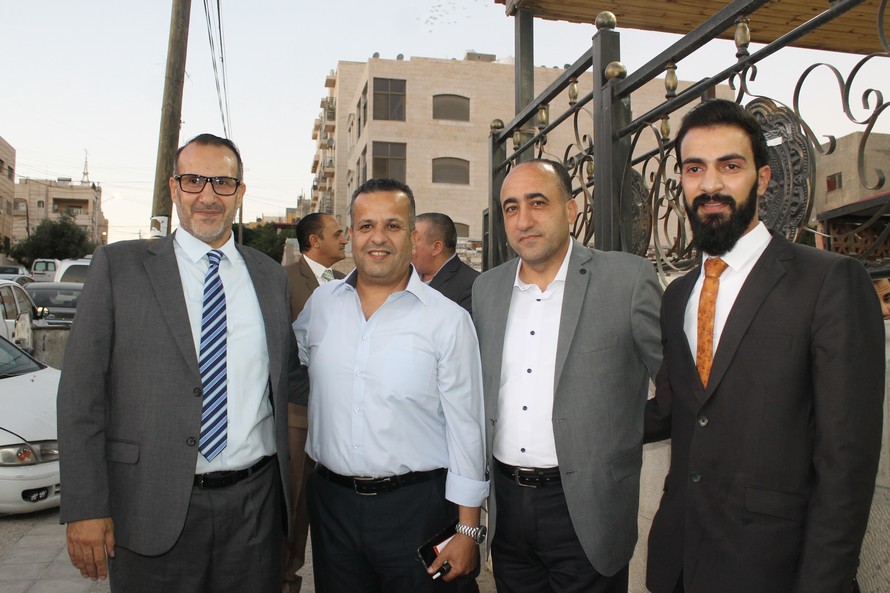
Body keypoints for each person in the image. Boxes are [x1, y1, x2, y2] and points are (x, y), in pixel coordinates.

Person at [644, 99, 885, 593]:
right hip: (681, 562)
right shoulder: (677, 296)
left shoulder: (830, 282)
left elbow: (846, 463)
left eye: (730, 166)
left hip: (776, 569)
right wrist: (558, 420)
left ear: (764, 177)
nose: (710, 184)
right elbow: (674, 409)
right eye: (695, 168)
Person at [57, 133, 306, 593]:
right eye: (194, 180)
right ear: (174, 188)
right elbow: (80, 395)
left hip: (254, 512)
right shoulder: (118, 267)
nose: (208, 196)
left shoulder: (269, 276)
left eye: (222, 182)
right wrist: (85, 505)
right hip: (148, 506)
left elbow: (289, 376)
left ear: (240, 193)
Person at [472, 159, 662, 593]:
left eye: (538, 202)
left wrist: (617, 435)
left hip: (589, 507)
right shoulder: (487, 289)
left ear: (571, 209)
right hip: (507, 506)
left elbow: (676, 387)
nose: (524, 220)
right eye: (511, 208)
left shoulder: (627, 279)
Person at [294, 178, 488, 593]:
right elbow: (300, 362)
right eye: (366, 226)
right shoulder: (321, 305)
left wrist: (468, 530)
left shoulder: (448, 320)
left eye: (393, 226)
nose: (378, 237)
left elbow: (466, 429)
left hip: (418, 510)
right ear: (351, 233)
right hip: (332, 508)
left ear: (412, 235)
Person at [281, 211, 347, 593]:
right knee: (290, 510)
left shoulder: (344, 283)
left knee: (316, 510)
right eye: (337, 234)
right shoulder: (285, 280)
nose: (345, 239)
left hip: (335, 421)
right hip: (297, 417)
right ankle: (283, 580)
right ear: (314, 241)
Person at [412, 212, 479, 313]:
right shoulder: (406, 278)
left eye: (412, 240)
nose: (406, 246)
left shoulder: (472, 286)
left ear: (436, 247)